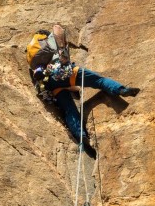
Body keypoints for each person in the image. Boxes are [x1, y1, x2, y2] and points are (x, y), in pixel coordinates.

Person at [28, 26, 138, 157]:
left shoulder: (32, 55)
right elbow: (58, 31)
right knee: (99, 81)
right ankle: (121, 89)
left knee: (69, 110)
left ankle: (82, 137)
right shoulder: (49, 40)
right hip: (64, 72)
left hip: (50, 84)